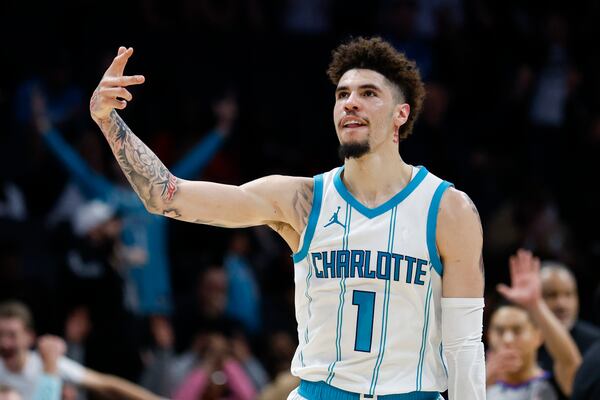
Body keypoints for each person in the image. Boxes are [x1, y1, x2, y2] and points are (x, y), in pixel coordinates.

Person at [89, 37, 486, 399]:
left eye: (368, 93)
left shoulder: (448, 209)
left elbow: (463, 345)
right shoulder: (303, 200)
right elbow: (166, 196)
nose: (350, 102)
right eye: (342, 94)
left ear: (401, 113)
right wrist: (109, 120)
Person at [0, 300, 163, 400]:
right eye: (0, 335)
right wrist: (50, 368)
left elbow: (107, 384)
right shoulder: (48, 362)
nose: (5, 343)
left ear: (29, 337)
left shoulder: (42, 362)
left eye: (12, 335)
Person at [486, 249, 582, 399]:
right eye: (499, 331)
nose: (507, 339)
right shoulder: (476, 381)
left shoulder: (555, 382)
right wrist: (482, 382)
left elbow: (570, 363)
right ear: (488, 334)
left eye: (517, 330)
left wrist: (535, 304)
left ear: (538, 336)